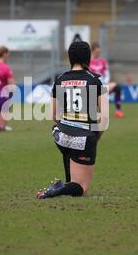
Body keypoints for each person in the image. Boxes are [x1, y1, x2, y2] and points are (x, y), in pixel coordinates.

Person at [37, 41, 108, 199]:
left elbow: (54, 116)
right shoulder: (95, 81)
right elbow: (104, 118)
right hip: (83, 139)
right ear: (88, 57)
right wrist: (96, 138)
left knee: (69, 144)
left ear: (69, 57)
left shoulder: (60, 79)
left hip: (59, 136)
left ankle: (65, 184)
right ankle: (58, 189)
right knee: (81, 188)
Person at [89, 42, 124, 118]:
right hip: (92, 86)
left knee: (117, 87)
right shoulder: (88, 62)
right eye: (96, 52)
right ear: (92, 51)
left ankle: (118, 111)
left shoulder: (103, 61)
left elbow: (107, 74)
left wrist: (105, 82)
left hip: (102, 84)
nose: (98, 54)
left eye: (99, 52)